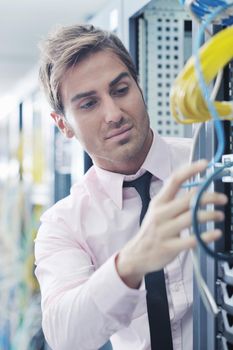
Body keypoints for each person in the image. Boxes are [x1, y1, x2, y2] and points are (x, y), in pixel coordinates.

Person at [34, 24, 227, 350]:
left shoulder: (211, 166)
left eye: (121, 90)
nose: (114, 114)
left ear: (139, 86)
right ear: (63, 124)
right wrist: (132, 262)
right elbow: (65, 336)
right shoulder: (64, 224)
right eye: (88, 104)